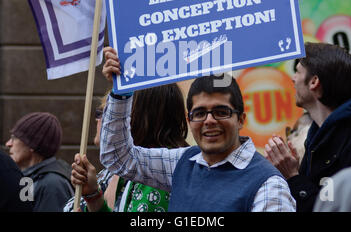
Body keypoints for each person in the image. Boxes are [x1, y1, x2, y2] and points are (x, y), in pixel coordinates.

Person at [96, 48, 296, 212]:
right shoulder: (183, 162)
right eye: (199, 113)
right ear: (188, 120)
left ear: (241, 119)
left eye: (221, 111)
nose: (209, 121)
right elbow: (117, 157)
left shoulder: (269, 185)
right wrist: (122, 91)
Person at [71, 55, 190, 212]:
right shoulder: (128, 168)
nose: (108, 118)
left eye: (118, 108)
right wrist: (93, 195)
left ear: (140, 116)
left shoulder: (159, 176)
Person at [265, 42, 351, 212]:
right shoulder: (316, 137)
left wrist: (293, 176)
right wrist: (297, 171)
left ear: (314, 82)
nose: (293, 78)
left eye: (298, 72)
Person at [63, 91, 124, 212]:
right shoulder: (109, 173)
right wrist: (91, 195)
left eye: (102, 113)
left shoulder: (145, 178)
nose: (97, 120)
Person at [6, 112, 74, 211]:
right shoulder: (31, 178)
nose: (8, 144)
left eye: (14, 138)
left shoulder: (52, 185)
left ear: (32, 144)